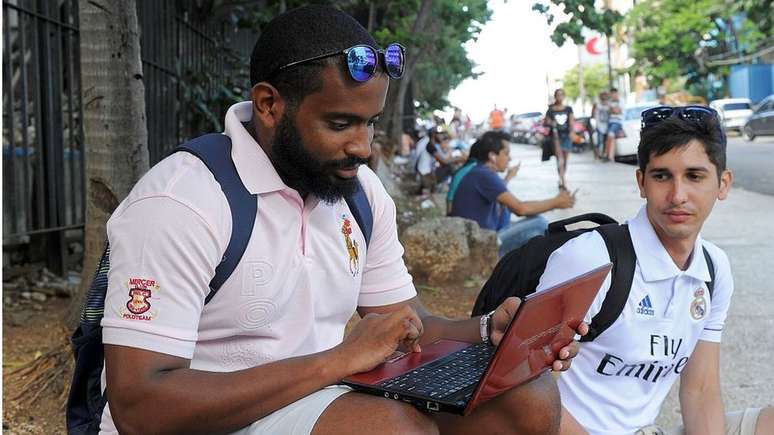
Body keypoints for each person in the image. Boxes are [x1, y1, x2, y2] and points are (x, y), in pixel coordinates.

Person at [99, 6, 583, 435]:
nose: (363, 147)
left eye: (370, 122)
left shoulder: (360, 194)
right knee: (390, 430)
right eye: (340, 124)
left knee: (527, 399)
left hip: (313, 397)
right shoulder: (183, 202)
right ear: (269, 105)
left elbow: (409, 324)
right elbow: (142, 409)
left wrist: (488, 332)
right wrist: (337, 360)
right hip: (207, 420)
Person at [536, 106, 774, 435]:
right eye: (662, 176)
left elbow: (700, 390)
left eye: (694, 176)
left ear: (723, 184)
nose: (678, 196)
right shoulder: (591, 259)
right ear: (641, 182)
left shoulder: (713, 267)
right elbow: (528, 394)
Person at [449, 131, 575, 257]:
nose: (509, 158)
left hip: (482, 237)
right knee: (540, 224)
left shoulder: (480, 172)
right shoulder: (484, 175)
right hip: (482, 244)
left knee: (536, 221)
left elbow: (516, 206)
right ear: (492, 156)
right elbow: (521, 209)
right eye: (506, 153)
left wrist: (554, 203)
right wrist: (556, 202)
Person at [545, 89, 574, 189]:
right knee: (559, 159)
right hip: (556, 136)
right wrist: (551, 123)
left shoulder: (568, 109)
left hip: (567, 136)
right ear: (555, 96)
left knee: (565, 160)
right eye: (558, 95)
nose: (559, 97)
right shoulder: (551, 109)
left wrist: (571, 132)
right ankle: (563, 181)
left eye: (561, 95)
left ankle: (562, 176)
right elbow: (546, 121)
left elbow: (571, 122)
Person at [604, 87, 624, 161]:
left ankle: (608, 155)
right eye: (611, 94)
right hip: (610, 121)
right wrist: (613, 109)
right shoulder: (610, 101)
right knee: (610, 138)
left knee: (610, 135)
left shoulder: (621, 101)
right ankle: (610, 156)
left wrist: (612, 109)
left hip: (617, 122)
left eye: (614, 93)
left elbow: (617, 111)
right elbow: (609, 112)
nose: (613, 95)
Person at [590, 91, 610, 160]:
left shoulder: (609, 104)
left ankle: (603, 154)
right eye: (603, 95)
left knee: (605, 141)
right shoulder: (597, 104)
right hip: (599, 125)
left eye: (605, 95)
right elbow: (592, 114)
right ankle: (597, 155)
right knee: (599, 141)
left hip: (607, 125)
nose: (604, 97)